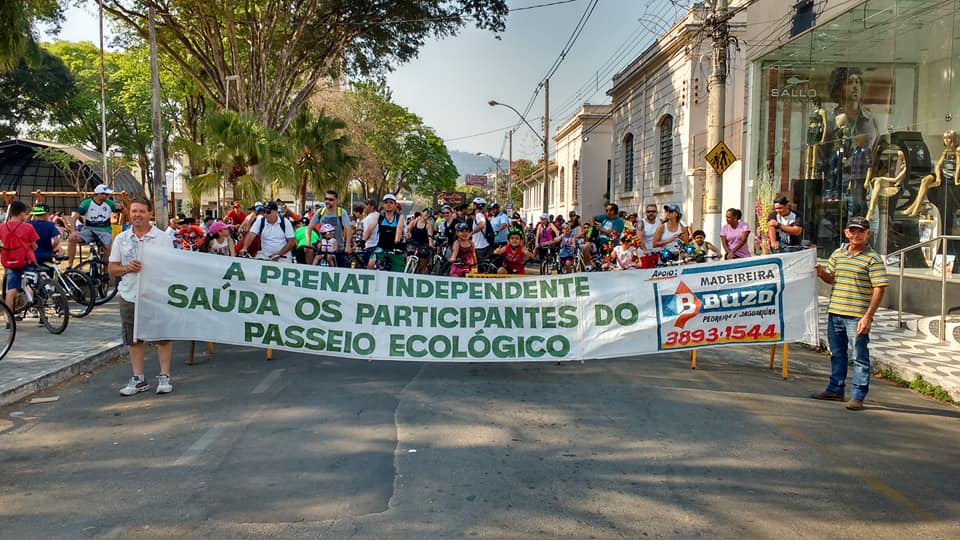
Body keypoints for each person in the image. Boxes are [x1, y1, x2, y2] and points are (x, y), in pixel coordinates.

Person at [813, 216, 888, 411]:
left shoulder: (873, 258)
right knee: (837, 353)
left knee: (859, 356)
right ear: (846, 232)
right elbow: (832, 279)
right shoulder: (838, 254)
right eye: (852, 231)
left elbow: (879, 288)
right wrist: (822, 273)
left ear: (868, 234)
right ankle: (835, 388)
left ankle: (858, 395)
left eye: (860, 231)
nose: (856, 235)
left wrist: (868, 316)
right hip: (835, 312)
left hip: (857, 316)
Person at [107, 198, 176, 396]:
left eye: (142, 211)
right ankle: (138, 378)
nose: (137, 215)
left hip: (156, 295)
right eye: (134, 211)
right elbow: (112, 268)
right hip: (129, 294)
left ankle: (164, 376)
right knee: (133, 339)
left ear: (150, 213)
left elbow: (172, 266)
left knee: (162, 337)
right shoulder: (122, 239)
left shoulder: (162, 238)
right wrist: (127, 268)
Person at [903, 130, 959, 217]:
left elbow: (959, 165)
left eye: (949, 138)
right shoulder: (946, 151)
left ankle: (914, 208)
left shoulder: (958, 150)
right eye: (945, 138)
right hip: (942, 174)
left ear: (954, 139)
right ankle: (915, 208)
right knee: (925, 180)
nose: (947, 140)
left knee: (925, 187)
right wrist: (938, 177)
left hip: (950, 176)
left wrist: (956, 180)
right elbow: (937, 166)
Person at [0, 201, 40, 312]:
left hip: (10, 262)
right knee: (31, 285)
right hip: (27, 261)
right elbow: (34, 246)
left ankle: (9, 319)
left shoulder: (2, 227)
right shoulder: (28, 227)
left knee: (11, 290)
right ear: (22, 213)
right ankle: (33, 309)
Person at [66, 184, 117, 263]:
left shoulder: (110, 203)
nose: (108, 196)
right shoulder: (87, 203)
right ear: (98, 194)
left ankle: (106, 271)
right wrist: (73, 231)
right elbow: (73, 218)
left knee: (108, 247)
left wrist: (122, 208)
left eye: (108, 194)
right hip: (89, 230)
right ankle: (69, 266)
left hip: (105, 231)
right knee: (72, 238)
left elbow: (125, 212)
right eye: (106, 194)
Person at [309, 190, 353, 267]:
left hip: (338, 249)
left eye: (331, 199)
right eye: (326, 199)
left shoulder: (341, 212)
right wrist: (308, 242)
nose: (328, 201)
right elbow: (309, 228)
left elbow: (348, 229)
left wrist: (348, 245)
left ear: (336, 200)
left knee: (340, 273)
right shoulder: (320, 212)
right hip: (323, 249)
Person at [580, 203, 625, 271]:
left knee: (606, 266)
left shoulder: (619, 221)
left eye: (608, 210)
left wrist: (601, 229)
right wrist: (593, 226)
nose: (606, 212)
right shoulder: (605, 217)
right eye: (606, 210)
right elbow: (592, 217)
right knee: (585, 247)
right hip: (599, 242)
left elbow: (614, 234)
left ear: (613, 211)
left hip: (610, 244)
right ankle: (589, 267)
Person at [367, 193, 404, 271]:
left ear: (395, 205)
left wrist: (397, 243)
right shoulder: (379, 216)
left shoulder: (399, 216)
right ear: (383, 205)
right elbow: (370, 228)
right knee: (370, 264)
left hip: (395, 247)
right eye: (386, 202)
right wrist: (363, 240)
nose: (388, 204)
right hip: (381, 247)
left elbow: (399, 230)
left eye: (391, 202)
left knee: (399, 271)